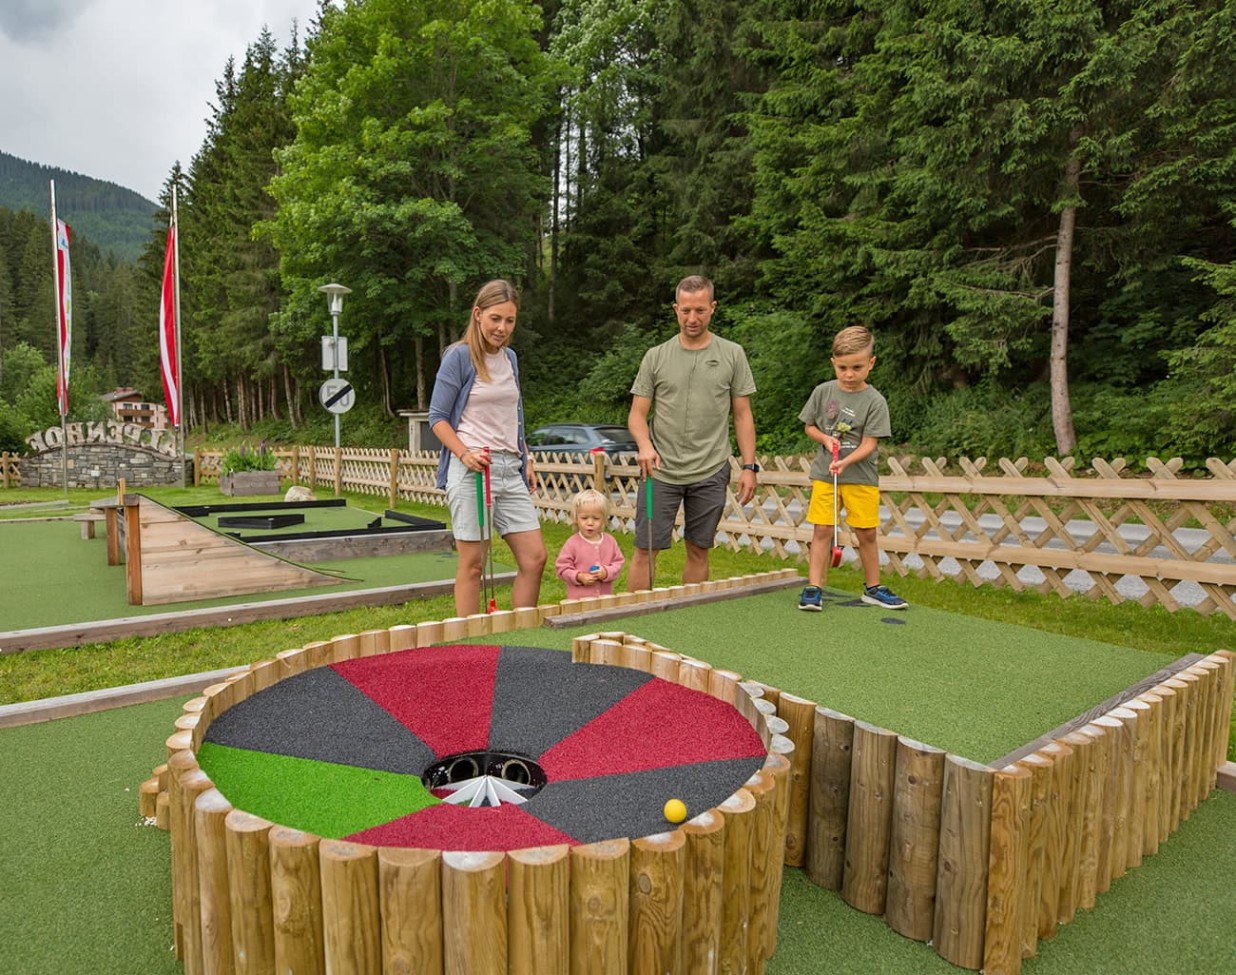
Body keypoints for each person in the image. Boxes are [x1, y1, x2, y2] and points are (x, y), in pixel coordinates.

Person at [627, 275, 758, 588]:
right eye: (685, 311)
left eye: (700, 310)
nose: (692, 318)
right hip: (659, 470)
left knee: (699, 549)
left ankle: (689, 618)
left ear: (713, 308)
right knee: (646, 549)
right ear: (675, 309)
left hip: (710, 469)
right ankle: (633, 620)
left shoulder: (732, 354)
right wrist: (645, 445)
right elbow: (637, 414)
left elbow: (742, 415)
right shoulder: (656, 356)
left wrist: (749, 466)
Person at [429, 280, 546, 616]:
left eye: (509, 320)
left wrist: (527, 457)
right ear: (478, 314)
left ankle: (520, 636)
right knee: (474, 564)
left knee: (535, 557)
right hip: (473, 469)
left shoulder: (510, 358)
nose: (502, 328)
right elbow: (437, 417)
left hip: (511, 469)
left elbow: (512, 413)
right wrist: (463, 453)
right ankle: (468, 645)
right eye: (496, 318)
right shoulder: (459, 356)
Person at [796, 325, 907, 611]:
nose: (849, 374)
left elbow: (870, 444)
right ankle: (813, 587)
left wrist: (846, 460)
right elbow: (810, 427)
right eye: (842, 367)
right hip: (825, 474)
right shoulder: (823, 392)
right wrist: (824, 438)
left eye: (857, 367)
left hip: (861, 477)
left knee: (866, 533)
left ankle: (873, 587)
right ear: (833, 362)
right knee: (822, 530)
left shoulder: (875, 401)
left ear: (871, 363)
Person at [555, 488, 626, 598]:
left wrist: (606, 572)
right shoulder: (572, 544)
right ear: (576, 518)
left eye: (596, 518)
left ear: (603, 519)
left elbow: (618, 563)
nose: (590, 523)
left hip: (604, 600)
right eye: (584, 518)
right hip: (579, 602)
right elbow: (562, 568)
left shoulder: (610, 541)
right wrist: (579, 576)